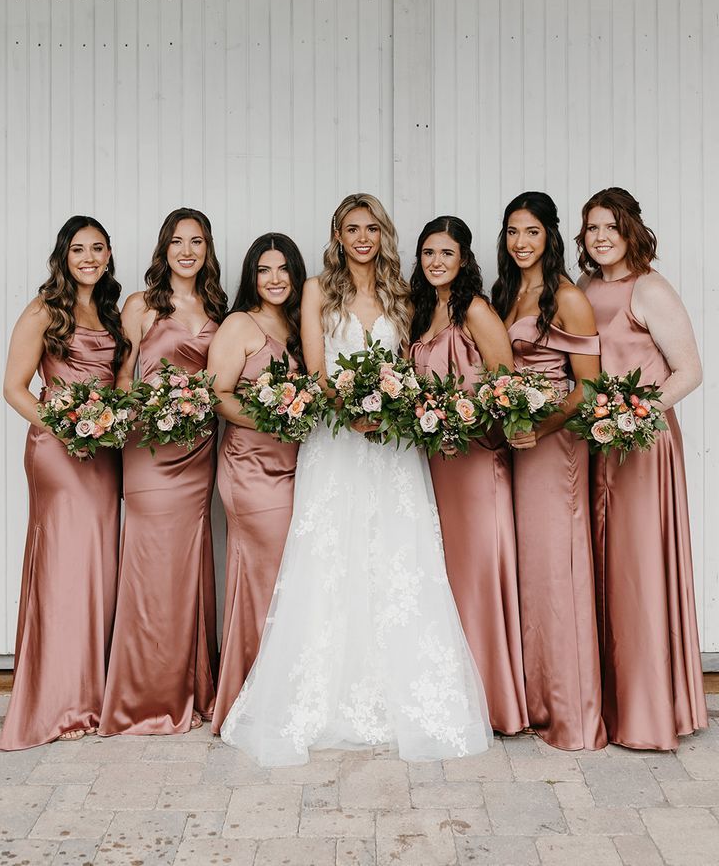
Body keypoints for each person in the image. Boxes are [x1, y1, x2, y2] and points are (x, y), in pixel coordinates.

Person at [221, 193, 491, 765]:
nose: (362, 237)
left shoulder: (403, 293)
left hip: (392, 448)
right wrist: (350, 409)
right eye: (351, 228)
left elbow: (413, 365)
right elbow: (317, 369)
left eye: (371, 228)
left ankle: (402, 696)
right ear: (337, 235)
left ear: (383, 234)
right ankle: (320, 696)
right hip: (337, 442)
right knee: (331, 558)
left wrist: (393, 408)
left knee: (397, 557)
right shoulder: (318, 288)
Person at [577, 187, 707, 749]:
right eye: (591, 228)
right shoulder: (585, 290)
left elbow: (689, 370)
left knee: (638, 569)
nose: (600, 237)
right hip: (598, 443)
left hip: (642, 447)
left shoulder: (649, 287)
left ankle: (652, 711)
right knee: (602, 567)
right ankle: (612, 701)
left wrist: (636, 411)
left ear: (630, 228)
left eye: (609, 225)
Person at [0, 216, 128, 750]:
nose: (89, 258)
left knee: (97, 564)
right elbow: (14, 388)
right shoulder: (43, 311)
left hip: (103, 453)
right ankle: (57, 701)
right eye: (79, 249)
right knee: (63, 565)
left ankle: (90, 694)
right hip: (58, 451)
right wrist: (68, 424)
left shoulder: (110, 313)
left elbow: (119, 376)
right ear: (64, 255)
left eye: (98, 249)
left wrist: (109, 420)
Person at [99, 208, 227, 736]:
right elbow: (122, 378)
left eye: (197, 241)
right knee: (149, 563)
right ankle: (142, 697)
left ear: (207, 249)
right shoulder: (141, 306)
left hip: (198, 450)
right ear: (164, 248)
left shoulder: (218, 309)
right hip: (149, 448)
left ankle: (188, 686)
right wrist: (152, 411)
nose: (187, 250)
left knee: (186, 566)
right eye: (178, 241)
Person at [492, 191, 606, 750]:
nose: (520, 243)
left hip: (554, 447)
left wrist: (541, 427)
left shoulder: (567, 298)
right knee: (532, 573)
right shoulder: (507, 293)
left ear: (550, 237)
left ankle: (574, 715)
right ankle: (539, 702)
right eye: (513, 231)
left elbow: (589, 387)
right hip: (516, 444)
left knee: (559, 571)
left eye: (531, 232)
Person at [409, 216, 527, 735]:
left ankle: (496, 703)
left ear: (464, 260)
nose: (436, 262)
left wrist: (467, 414)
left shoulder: (474, 309)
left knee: (480, 572)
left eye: (446, 253)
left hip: (476, 458)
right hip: (437, 461)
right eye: (428, 253)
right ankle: (457, 695)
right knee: (449, 576)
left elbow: (507, 381)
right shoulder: (422, 312)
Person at [209, 234, 307, 733]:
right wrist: (270, 421)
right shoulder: (239, 324)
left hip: (298, 467)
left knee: (291, 576)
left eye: (283, 268)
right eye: (264, 269)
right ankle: (254, 694)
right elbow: (218, 394)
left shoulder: (297, 325)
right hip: (251, 467)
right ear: (251, 275)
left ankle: (286, 687)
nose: (274, 278)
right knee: (267, 574)